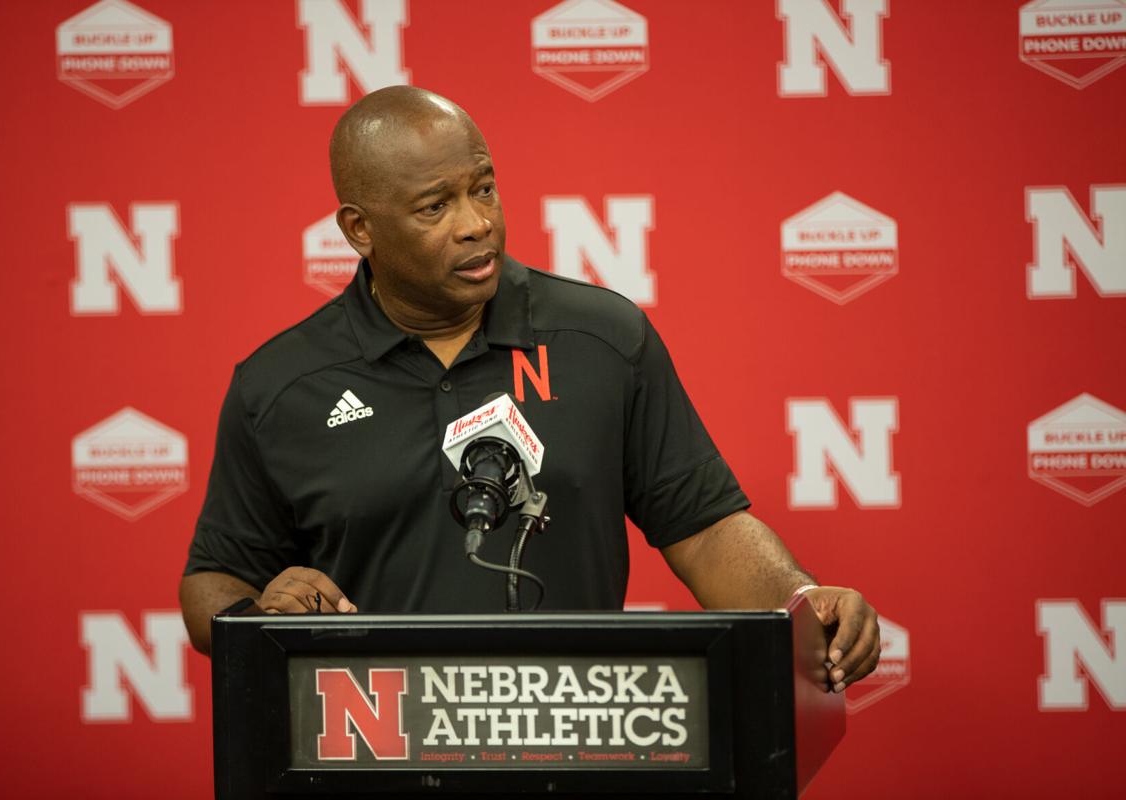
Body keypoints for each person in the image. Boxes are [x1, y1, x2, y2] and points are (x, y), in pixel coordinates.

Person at [179, 86, 881, 694]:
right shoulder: (280, 386)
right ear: (361, 230)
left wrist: (800, 601)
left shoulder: (602, 339)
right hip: (375, 755)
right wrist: (259, 616)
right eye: (435, 207)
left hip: (574, 747)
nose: (476, 222)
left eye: (482, 187)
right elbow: (213, 583)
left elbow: (703, 529)